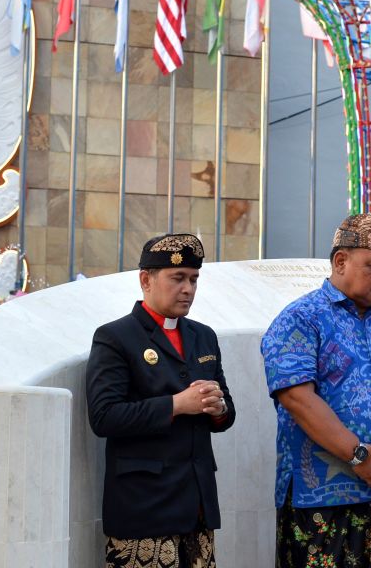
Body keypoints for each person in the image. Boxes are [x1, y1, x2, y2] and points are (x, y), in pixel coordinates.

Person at [261, 213, 371, 567]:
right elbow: (296, 397)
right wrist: (357, 455)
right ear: (341, 260)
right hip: (322, 501)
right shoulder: (302, 317)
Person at [86, 233, 235, 568]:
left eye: (194, 280)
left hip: (197, 506)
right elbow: (104, 416)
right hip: (144, 509)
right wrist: (177, 404)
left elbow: (226, 412)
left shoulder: (203, 335)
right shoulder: (115, 337)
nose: (188, 289)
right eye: (178, 278)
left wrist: (218, 407)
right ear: (145, 280)